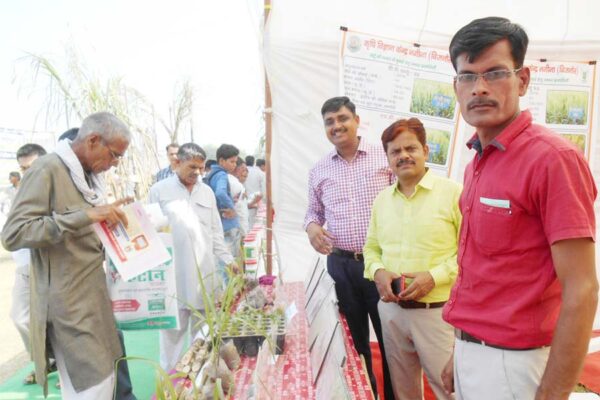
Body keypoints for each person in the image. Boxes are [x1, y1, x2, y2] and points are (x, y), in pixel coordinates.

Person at [441, 17, 598, 400]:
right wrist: (460, 349)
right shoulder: (478, 159)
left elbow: (582, 288)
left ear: (523, 80)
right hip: (472, 353)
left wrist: (554, 393)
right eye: (467, 76)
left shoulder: (552, 159)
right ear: (456, 87)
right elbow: (485, 272)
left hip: (514, 366)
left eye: (494, 73)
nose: (479, 88)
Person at [2, 112, 133, 399]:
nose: (114, 164)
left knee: (106, 380)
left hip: (92, 296)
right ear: (93, 140)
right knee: (92, 387)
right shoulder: (47, 169)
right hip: (68, 306)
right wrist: (86, 215)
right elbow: (14, 234)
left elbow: (82, 230)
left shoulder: (87, 176)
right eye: (114, 155)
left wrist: (108, 219)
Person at [364, 118, 461, 399]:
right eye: (395, 151)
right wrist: (378, 271)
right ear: (388, 158)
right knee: (404, 391)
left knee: (451, 389)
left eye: (411, 148)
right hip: (393, 312)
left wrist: (435, 276)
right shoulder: (382, 200)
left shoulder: (453, 193)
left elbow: (472, 252)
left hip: (438, 313)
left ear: (426, 151)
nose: (404, 155)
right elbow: (371, 248)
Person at [304, 96, 394, 398]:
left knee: (390, 341)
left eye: (342, 118)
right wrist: (313, 227)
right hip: (341, 266)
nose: (336, 125)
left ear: (356, 120)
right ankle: (364, 392)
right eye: (329, 121)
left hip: (382, 264)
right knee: (354, 344)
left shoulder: (386, 157)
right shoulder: (319, 170)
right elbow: (312, 213)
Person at [148, 143, 236, 371]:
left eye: (201, 168)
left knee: (203, 337)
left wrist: (228, 260)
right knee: (171, 342)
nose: (197, 173)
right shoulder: (159, 191)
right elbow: (149, 234)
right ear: (177, 163)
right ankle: (172, 387)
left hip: (204, 277)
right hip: (173, 279)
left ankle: (198, 384)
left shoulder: (206, 192)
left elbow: (215, 232)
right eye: (192, 167)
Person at [7, 144, 49, 386]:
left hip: (52, 265)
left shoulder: (55, 187)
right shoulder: (15, 195)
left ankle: (62, 368)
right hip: (25, 264)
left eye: (31, 168)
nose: (27, 173)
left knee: (55, 322)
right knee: (20, 317)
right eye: (23, 169)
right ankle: (44, 360)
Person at [204, 144, 242, 267]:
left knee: (222, 260)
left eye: (236, 162)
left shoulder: (211, 174)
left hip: (219, 221)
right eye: (232, 162)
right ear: (221, 160)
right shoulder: (221, 175)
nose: (234, 165)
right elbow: (220, 192)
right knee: (229, 260)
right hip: (227, 222)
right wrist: (232, 208)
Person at [244, 155, 265, 228]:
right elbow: (263, 190)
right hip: (256, 201)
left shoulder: (242, 171)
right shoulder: (260, 173)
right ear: (254, 162)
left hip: (244, 201)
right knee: (253, 224)